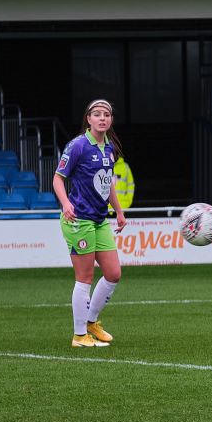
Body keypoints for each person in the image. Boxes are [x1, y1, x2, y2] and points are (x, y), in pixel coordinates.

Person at [52, 98, 127, 348]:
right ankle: (79, 335)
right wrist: (66, 203)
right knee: (84, 277)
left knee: (113, 273)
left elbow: (108, 183)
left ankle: (92, 322)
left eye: (106, 114)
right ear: (88, 118)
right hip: (79, 219)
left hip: (99, 219)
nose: (102, 118)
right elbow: (57, 179)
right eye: (97, 114)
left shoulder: (109, 148)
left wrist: (118, 211)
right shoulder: (77, 146)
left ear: (111, 120)